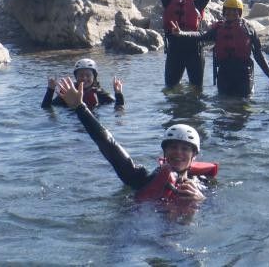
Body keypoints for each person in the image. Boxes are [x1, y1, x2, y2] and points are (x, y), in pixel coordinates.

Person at [56, 76, 217, 203]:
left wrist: (200, 200)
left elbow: (219, 215)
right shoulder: (141, 178)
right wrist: (80, 107)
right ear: (164, 151)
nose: (178, 152)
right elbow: (109, 144)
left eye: (185, 149)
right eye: (173, 147)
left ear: (194, 155)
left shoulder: (203, 184)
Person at [147, 0, 232, 88]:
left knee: (197, 89)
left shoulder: (198, 3)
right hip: (175, 50)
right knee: (171, 88)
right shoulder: (168, 1)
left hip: (195, 50)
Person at [170, 0, 269, 96]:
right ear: (224, 13)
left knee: (243, 106)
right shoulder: (218, 29)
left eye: (234, 12)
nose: (231, 15)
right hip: (224, 74)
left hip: (244, 74)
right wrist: (181, 33)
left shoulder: (249, 29)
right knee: (223, 105)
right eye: (228, 12)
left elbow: (258, 55)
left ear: (240, 13)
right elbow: (201, 35)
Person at [42, 58, 124, 110]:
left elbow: (119, 110)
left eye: (88, 75)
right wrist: (50, 90)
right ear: (76, 77)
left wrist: (118, 94)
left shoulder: (101, 94)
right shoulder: (70, 94)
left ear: (94, 77)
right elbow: (46, 108)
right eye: (81, 75)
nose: (84, 78)